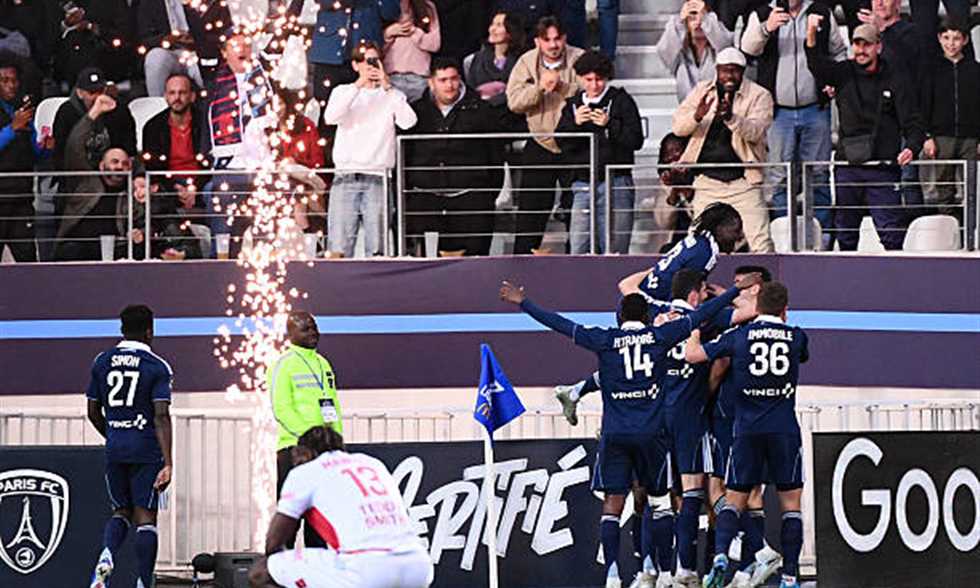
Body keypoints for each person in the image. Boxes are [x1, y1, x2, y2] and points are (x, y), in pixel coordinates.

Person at [500, 273, 761, 588]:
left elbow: (561, 324)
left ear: (620, 316)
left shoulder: (605, 340)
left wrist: (524, 302)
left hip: (616, 435)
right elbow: (701, 315)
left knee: (613, 505)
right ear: (647, 317)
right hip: (652, 435)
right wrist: (734, 290)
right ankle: (667, 574)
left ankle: (613, 575)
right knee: (659, 503)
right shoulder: (659, 337)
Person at [686, 282, 809, 588]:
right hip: (783, 429)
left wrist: (694, 329)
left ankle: (721, 556)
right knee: (791, 506)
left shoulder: (739, 336)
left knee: (734, 499)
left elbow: (694, 355)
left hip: (746, 430)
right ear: (785, 310)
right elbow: (802, 355)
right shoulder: (797, 337)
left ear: (757, 308)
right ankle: (790, 576)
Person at [247, 426, 433, 588]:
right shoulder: (372, 463)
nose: (295, 463)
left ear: (305, 453)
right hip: (418, 566)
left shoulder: (305, 472)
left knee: (261, 572)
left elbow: (274, 543)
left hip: (367, 569)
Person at [805, 20, 925, 250]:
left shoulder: (896, 76)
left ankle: (896, 273)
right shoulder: (843, 72)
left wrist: (911, 147)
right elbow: (816, 65)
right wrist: (811, 32)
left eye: (867, 45)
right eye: (857, 44)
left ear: (878, 46)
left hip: (883, 168)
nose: (861, 50)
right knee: (846, 234)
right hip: (847, 167)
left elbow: (912, 120)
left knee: (892, 234)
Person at [705, 265, 783, 588]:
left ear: (757, 288)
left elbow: (719, 364)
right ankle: (751, 565)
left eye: (741, 284)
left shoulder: (742, 324)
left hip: (730, 414)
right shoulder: (779, 325)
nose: (734, 290)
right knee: (752, 492)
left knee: (719, 488)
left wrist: (703, 398)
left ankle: (755, 551)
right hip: (764, 417)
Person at [85, 305, 174, 588]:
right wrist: (168, 462)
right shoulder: (157, 366)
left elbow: (92, 411)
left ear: (122, 330)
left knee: (120, 511)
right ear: (150, 331)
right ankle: (143, 582)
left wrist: (113, 434)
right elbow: (161, 416)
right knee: (146, 518)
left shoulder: (102, 361)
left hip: (116, 447)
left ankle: (107, 555)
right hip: (146, 449)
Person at [741, 0, 845, 234]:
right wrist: (766, 28)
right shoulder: (763, 13)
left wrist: (835, 79)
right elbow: (746, 50)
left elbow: (838, 52)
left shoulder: (821, 11)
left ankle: (822, 237)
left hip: (816, 109)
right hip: (778, 112)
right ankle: (783, 235)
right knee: (780, 177)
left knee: (818, 176)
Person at [672, 47, 775, 253]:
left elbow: (755, 132)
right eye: (725, 70)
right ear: (717, 70)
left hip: (744, 182)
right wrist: (697, 116)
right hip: (707, 182)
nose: (729, 76)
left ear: (742, 71)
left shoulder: (759, 95)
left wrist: (731, 118)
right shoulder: (701, 90)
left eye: (734, 70)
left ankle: (764, 276)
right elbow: (678, 128)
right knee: (697, 244)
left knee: (761, 243)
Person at [323, 42, 417, 258]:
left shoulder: (392, 95)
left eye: (375, 61)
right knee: (338, 247)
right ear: (355, 65)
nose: (371, 66)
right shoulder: (343, 91)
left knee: (378, 247)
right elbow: (331, 117)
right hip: (345, 175)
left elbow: (409, 122)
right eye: (366, 61)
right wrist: (359, 84)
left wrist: (388, 87)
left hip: (378, 176)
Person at [404, 58, 503, 256]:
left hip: (473, 201)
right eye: (443, 80)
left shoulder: (482, 110)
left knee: (476, 264)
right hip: (427, 202)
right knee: (429, 268)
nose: (449, 85)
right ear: (431, 82)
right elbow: (407, 154)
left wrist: (487, 194)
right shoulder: (416, 112)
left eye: (453, 79)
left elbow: (496, 155)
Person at [506, 16, 584, 254]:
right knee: (530, 213)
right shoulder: (526, 61)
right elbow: (514, 102)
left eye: (557, 39)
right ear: (537, 41)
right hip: (539, 143)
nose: (553, 45)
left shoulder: (579, 58)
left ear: (565, 38)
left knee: (577, 212)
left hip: (574, 145)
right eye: (547, 40)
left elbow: (591, 93)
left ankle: (580, 261)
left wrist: (562, 87)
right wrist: (539, 88)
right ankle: (521, 264)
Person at [555, 50, 644, 254]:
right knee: (579, 247)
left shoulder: (622, 101)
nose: (594, 85)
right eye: (588, 80)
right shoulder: (572, 105)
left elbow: (635, 140)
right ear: (579, 78)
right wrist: (575, 124)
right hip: (582, 184)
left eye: (599, 79)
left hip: (617, 182)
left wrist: (609, 124)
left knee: (615, 249)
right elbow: (561, 143)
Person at [267, 311, 343, 548]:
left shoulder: (323, 363)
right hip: (295, 450)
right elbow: (282, 409)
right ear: (290, 333)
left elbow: (333, 405)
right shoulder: (283, 364)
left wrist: (337, 442)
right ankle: (282, 567)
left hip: (325, 453)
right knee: (291, 519)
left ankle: (318, 566)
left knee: (320, 518)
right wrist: (309, 439)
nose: (313, 333)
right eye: (306, 328)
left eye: (314, 327)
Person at [919, 18, 979, 221]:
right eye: (946, 38)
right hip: (941, 136)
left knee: (972, 186)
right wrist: (927, 136)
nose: (951, 44)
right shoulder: (931, 69)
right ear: (939, 38)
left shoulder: (975, 70)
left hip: (971, 137)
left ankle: (972, 230)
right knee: (944, 187)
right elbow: (924, 104)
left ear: (965, 40)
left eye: (956, 38)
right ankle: (949, 228)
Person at [309, 0, 401, 118]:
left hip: (366, 53)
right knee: (328, 111)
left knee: (368, 110)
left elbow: (391, 12)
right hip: (329, 52)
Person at [0, 58, 51, 262]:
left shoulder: (22, 112)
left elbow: (34, 155)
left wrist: (44, 148)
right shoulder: (17, 119)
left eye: (14, 80)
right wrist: (12, 128)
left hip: (21, 198)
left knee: (27, 259)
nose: (11, 85)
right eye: (4, 80)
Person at [141, 73, 210, 214]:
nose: (177, 98)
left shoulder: (205, 122)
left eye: (182, 92)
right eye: (172, 93)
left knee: (216, 190)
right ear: (165, 96)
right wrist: (175, 189)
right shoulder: (153, 126)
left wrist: (195, 188)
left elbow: (211, 161)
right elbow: (152, 167)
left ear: (192, 96)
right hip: (168, 185)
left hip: (202, 182)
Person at [137, 0, 234, 94]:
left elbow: (222, 34)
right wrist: (166, 39)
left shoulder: (208, 3)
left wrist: (196, 40)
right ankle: (158, 103)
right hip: (168, 52)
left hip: (198, 53)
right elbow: (143, 39)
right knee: (156, 58)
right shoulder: (148, 3)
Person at [656, 1, 734, 103]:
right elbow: (663, 50)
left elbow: (725, 45)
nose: (698, 22)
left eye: (701, 18)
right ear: (686, 25)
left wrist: (706, 18)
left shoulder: (719, 50)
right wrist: (679, 21)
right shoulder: (678, 54)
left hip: (718, 108)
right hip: (688, 109)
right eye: (692, 18)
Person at [465, 10, 527, 131]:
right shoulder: (477, 59)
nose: (492, 29)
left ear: (511, 31)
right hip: (482, 116)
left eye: (499, 25)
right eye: (492, 24)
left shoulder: (523, 60)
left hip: (512, 117)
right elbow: (471, 90)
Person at [382, 0, 441, 102]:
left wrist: (414, 32)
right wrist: (388, 34)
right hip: (391, 78)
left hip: (419, 79)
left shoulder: (426, 7)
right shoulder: (381, 6)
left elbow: (435, 45)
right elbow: (373, 50)